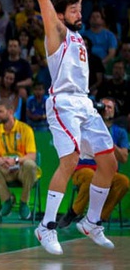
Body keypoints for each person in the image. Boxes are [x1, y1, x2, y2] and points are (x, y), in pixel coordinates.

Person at [14, 0, 117, 254]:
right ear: (60, 15)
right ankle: (46, 227)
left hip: (84, 102)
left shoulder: (75, 32)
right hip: (62, 103)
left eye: (79, 8)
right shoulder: (56, 31)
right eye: (73, 9)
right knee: (70, 160)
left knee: (109, 163)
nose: (79, 10)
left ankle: (91, 222)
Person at [58, 97, 129, 228]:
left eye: (109, 107)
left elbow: (124, 158)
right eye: (103, 106)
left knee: (123, 181)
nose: (106, 109)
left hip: (107, 173)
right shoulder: (86, 126)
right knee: (90, 176)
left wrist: (108, 142)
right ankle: (73, 212)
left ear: (115, 112)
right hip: (83, 169)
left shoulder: (120, 132)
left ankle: (96, 219)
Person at [0, 99, 40, 220]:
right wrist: (2, 161)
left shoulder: (26, 129)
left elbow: (32, 155)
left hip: (21, 171)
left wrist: (15, 161)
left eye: (1, 111)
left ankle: (24, 203)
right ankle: (7, 200)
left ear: (10, 112)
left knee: (30, 164)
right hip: (5, 170)